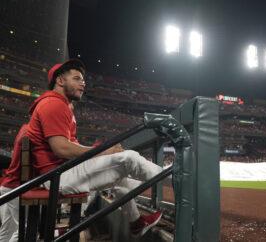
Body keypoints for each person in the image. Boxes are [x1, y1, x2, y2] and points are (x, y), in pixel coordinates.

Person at [0, 60, 162, 241]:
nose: (83, 83)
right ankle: (177, 179)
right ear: (60, 81)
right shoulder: (53, 104)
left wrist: (99, 152)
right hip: (57, 177)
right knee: (129, 159)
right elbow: (61, 148)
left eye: (83, 80)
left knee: (120, 178)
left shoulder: (57, 104)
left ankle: (138, 221)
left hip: (57, 173)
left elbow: (66, 147)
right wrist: (102, 151)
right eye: (76, 78)